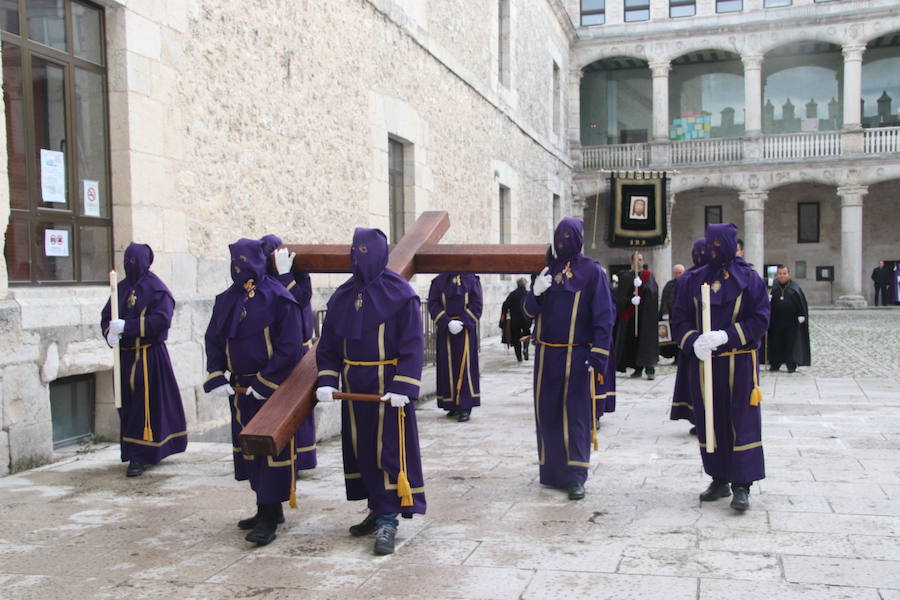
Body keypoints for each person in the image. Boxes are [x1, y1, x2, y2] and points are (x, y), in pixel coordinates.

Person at [315, 227, 426, 555]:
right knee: (361, 450)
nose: (357, 257)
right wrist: (326, 379)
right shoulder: (342, 296)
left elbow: (413, 343)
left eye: (364, 251)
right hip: (353, 389)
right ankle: (376, 508)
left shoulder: (401, 294)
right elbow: (329, 344)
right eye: (354, 251)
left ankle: (389, 519)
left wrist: (404, 384)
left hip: (387, 388)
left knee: (388, 452)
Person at [203, 238, 303, 546]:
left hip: (270, 391)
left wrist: (264, 383)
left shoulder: (278, 298)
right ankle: (264, 506)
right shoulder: (226, 299)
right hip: (239, 388)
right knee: (248, 449)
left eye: (246, 262)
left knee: (268, 451)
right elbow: (214, 338)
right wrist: (217, 373)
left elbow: (289, 348)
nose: (240, 269)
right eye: (235, 263)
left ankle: (270, 516)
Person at [671, 223, 770, 512]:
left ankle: (743, 484)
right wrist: (693, 341)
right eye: (709, 246)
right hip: (705, 365)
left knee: (741, 421)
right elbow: (679, 319)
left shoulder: (750, 279)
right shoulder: (693, 280)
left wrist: (727, 335)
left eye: (718, 245)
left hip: (739, 362)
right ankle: (719, 477)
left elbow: (761, 319)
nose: (712, 251)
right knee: (709, 421)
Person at [523, 217, 615, 501]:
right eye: (559, 236)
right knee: (547, 413)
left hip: (577, 355)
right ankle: (552, 471)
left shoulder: (593, 272)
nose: (563, 240)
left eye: (568, 235)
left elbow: (604, 316)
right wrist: (535, 293)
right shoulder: (546, 270)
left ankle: (576, 476)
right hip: (546, 354)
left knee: (575, 416)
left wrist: (597, 356)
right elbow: (528, 313)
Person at [101, 243, 187, 477]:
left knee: (145, 406)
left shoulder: (157, 290)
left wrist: (128, 327)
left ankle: (141, 455)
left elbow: (161, 320)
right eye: (128, 260)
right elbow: (107, 316)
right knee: (126, 405)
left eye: (135, 260)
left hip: (149, 356)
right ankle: (132, 450)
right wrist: (109, 332)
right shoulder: (118, 289)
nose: (131, 265)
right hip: (125, 358)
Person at [260, 234, 317, 470]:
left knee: (296, 407)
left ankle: (300, 458)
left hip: (297, 351)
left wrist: (286, 275)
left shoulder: (299, 274)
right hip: (273, 352)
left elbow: (299, 299)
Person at [427, 272, 483, 422]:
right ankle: (451, 403)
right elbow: (433, 303)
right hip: (446, 330)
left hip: (465, 329)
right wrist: (446, 322)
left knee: (465, 367)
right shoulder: (438, 282)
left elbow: (477, 303)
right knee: (447, 366)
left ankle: (465, 406)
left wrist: (464, 321)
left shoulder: (472, 280)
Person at [669, 239, 707, 433]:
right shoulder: (687, 279)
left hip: (714, 340)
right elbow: (678, 312)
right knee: (694, 383)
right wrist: (690, 339)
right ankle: (697, 418)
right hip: (694, 340)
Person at [614, 252, 659, 380]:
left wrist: (644, 287)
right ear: (631, 262)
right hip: (631, 316)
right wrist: (630, 301)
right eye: (636, 260)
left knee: (646, 343)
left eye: (641, 259)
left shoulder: (648, 275)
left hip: (645, 316)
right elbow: (620, 297)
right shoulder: (626, 277)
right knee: (633, 342)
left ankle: (650, 369)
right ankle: (637, 368)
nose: (639, 262)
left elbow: (653, 292)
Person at [767, 265, 810, 373]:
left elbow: (801, 303)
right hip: (775, 321)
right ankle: (775, 363)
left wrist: (801, 314)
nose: (782, 276)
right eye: (780, 273)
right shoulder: (773, 287)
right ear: (777, 275)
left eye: (784, 273)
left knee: (790, 343)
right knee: (775, 343)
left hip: (791, 322)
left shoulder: (794, 287)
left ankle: (791, 364)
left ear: (788, 274)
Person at [501, 277, 533, 362]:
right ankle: (525, 349)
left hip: (515, 320)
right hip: (526, 319)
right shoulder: (527, 294)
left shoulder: (512, 294)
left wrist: (505, 315)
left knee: (516, 338)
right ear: (525, 285)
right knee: (526, 335)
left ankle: (519, 357)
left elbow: (505, 305)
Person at [659, 263, 685, 361]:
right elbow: (665, 299)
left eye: (680, 272)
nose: (678, 275)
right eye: (676, 273)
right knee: (672, 339)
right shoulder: (669, 285)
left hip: (682, 316)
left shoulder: (687, 284)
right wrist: (665, 313)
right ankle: (674, 357)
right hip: (671, 317)